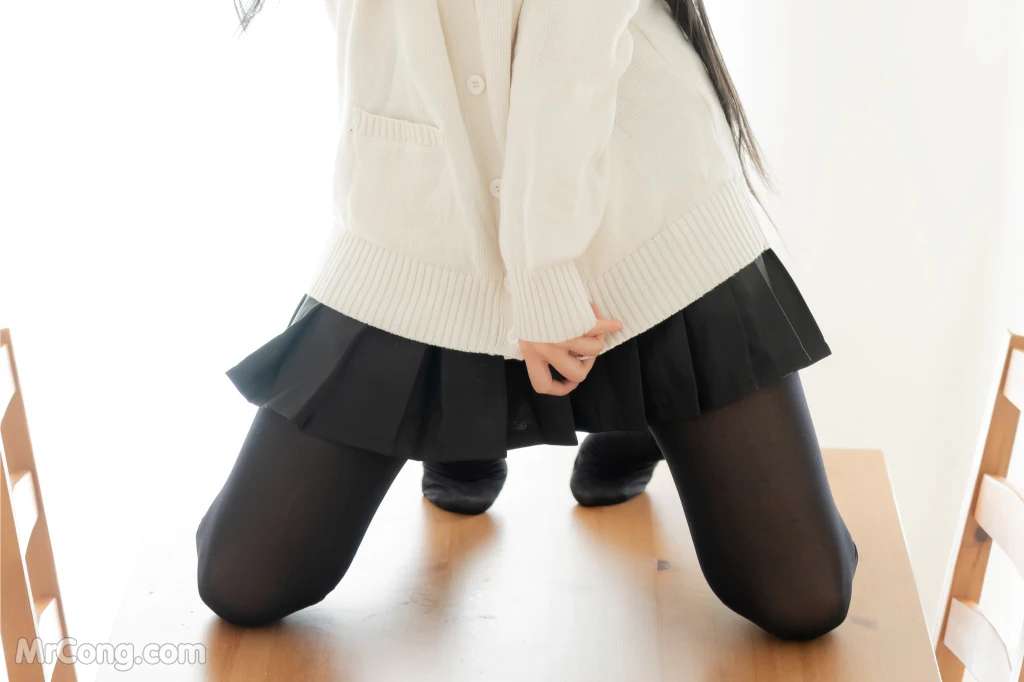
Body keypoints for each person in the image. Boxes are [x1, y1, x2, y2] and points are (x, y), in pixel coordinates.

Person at [196, 0, 859, 641]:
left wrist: (543, 271)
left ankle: (645, 403)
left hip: (636, 198)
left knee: (803, 596)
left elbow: (571, 45)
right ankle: (471, 422)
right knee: (242, 581)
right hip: (425, 205)